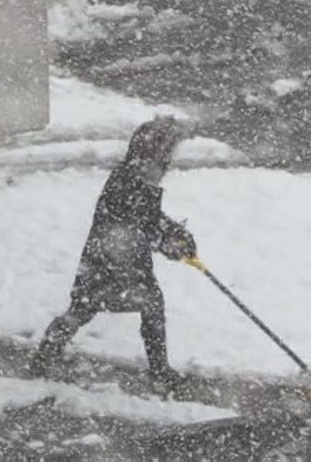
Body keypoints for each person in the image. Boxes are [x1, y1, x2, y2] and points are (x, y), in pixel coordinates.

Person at [30, 116, 198, 391]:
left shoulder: (138, 176)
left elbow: (149, 219)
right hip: (111, 262)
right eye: (167, 152)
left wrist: (175, 233)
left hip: (117, 261)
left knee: (91, 308)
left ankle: (46, 355)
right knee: (91, 308)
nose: (169, 159)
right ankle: (158, 372)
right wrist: (167, 242)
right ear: (155, 152)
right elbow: (137, 226)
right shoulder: (132, 180)